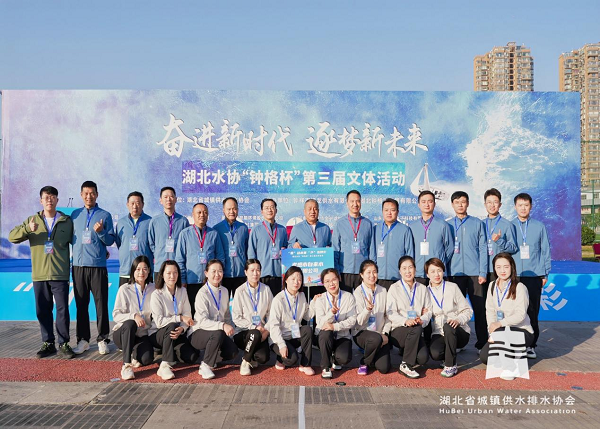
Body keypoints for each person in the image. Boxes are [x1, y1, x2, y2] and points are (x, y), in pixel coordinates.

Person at [9, 186, 75, 359]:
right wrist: (27, 229)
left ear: (57, 200)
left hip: (60, 274)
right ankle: (48, 343)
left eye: (52, 197)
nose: (49, 200)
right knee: (42, 310)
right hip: (39, 274)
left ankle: (64, 343)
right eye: (46, 197)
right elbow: (12, 237)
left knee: (62, 310)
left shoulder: (66, 221)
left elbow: (77, 242)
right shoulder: (32, 220)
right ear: (41, 201)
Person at [71, 181, 116, 355]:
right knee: (81, 305)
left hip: (97, 267)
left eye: (92, 193)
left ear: (97, 194)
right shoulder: (75, 215)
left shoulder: (105, 215)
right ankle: (83, 340)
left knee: (101, 304)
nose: (89, 196)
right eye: (85, 193)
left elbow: (110, 240)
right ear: (81, 195)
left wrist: (101, 232)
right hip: (79, 266)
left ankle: (103, 338)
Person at [480, 253, 534, 381]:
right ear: (494, 268)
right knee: (485, 357)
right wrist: (491, 331)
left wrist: (500, 324)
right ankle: (514, 354)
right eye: (498, 267)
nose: (502, 270)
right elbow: (490, 311)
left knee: (502, 334)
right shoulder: (492, 286)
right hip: (500, 331)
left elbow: (520, 315)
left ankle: (511, 368)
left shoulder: (520, 287)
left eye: (506, 266)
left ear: (512, 267)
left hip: (521, 331)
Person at [447, 191, 488, 352]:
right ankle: (457, 343)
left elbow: (483, 249)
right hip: (455, 274)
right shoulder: (448, 225)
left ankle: (482, 343)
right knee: (455, 310)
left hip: (474, 274)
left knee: (479, 309)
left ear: (468, 203)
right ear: (452, 204)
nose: (460, 205)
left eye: (463, 201)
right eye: (457, 202)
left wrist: (483, 272)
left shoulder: (477, 223)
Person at [512, 193, 551, 359]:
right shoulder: (510, 226)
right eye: (520, 205)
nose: (523, 208)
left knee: (532, 310)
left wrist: (545, 273)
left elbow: (545, 250)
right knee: (514, 310)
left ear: (531, 206)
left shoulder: (539, 226)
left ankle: (531, 345)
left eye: (526, 205)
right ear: (515, 207)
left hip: (534, 275)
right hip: (514, 276)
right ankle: (514, 343)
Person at [188, 259, 238, 380]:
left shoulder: (224, 291)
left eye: (220, 271)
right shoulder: (202, 293)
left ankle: (211, 357)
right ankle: (205, 365)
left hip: (217, 333)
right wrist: (222, 326)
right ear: (206, 273)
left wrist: (230, 332)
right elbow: (202, 321)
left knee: (232, 352)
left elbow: (226, 315)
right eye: (213, 271)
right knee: (218, 332)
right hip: (198, 333)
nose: (217, 274)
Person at [150, 260, 199, 380]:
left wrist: (182, 328)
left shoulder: (182, 291)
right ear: (162, 275)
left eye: (175, 272)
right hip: (158, 333)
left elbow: (187, 314)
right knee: (171, 325)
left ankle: (170, 352)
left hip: (177, 332)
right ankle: (164, 365)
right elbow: (159, 322)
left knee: (192, 356)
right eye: (168, 273)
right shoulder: (157, 294)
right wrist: (180, 318)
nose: (172, 276)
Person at [425, 258, 473, 378]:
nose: (436, 274)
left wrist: (458, 320)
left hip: (458, 330)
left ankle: (450, 365)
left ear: (443, 271)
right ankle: (448, 354)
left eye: (439, 270)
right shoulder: (425, 292)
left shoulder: (452, 287)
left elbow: (468, 310)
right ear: (427, 274)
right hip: (439, 332)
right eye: (432, 271)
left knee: (449, 326)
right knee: (435, 354)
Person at [175, 203, 225, 316]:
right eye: (199, 212)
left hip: (210, 282)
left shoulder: (214, 234)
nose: (202, 215)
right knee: (192, 312)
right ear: (193, 214)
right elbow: (180, 259)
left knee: (210, 312)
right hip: (191, 282)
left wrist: (218, 276)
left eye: (205, 212)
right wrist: (183, 280)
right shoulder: (185, 234)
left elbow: (220, 256)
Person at [112, 256, 156, 380]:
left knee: (147, 359)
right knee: (130, 323)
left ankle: (135, 355)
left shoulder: (154, 289)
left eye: (145, 269)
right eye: (138, 269)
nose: (141, 272)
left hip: (142, 334)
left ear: (149, 271)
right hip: (123, 333)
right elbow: (116, 314)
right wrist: (134, 316)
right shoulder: (125, 289)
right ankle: (126, 365)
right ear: (133, 271)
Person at [387, 256, 431, 378]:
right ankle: (405, 364)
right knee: (416, 329)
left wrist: (422, 320)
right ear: (400, 271)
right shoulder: (394, 288)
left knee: (422, 358)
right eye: (404, 268)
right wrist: (405, 321)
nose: (408, 271)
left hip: (417, 328)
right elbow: (390, 312)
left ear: (415, 270)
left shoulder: (422, 288)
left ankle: (406, 350)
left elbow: (429, 310)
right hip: (399, 329)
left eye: (410, 267)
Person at [267, 266, 314, 375]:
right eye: (293, 279)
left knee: (307, 329)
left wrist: (315, 303)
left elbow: (307, 316)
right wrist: (281, 345)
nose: (296, 282)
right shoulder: (278, 299)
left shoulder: (301, 296)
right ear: (286, 280)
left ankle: (305, 364)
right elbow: (273, 326)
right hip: (279, 338)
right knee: (292, 359)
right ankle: (280, 358)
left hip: (294, 335)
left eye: (299, 279)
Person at [231, 259, 273, 376]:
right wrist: (253, 326)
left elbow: (272, 314)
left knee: (263, 358)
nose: (255, 273)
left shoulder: (266, 289)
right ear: (246, 272)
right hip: (243, 332)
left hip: (262, 332)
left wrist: (267, 330)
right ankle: (245, 361)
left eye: (258, 270)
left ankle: (251, 355)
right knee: (254, 333)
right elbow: (236, 317)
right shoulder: (240, 291)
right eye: (252, 270)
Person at [313, 268, 357, 379]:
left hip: (342, 335)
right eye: (327, 281)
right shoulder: (321, 299)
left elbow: (352, 320)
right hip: (325, 337)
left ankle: (335, 358)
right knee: (325, 333)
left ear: (339, 279)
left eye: (334, 279)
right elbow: (320, 323)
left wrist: (334, 326)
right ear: (323, 283)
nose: (331, 284)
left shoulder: (348, 297)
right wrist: (331, 313)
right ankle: (326, 367)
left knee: (344, 358)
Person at [353, 260, 392, 375]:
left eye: (374, 272)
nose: (372, 275)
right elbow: (359, 322)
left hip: (380, 334)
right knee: (375, 339)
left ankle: (373, 355)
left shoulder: (383, 290)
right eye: (368, 272)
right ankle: (364, 362)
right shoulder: (357, 292)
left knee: (384, 368)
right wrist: (367, 310)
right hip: (362, 332)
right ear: (361, 275)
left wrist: (385, 333)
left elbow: (388, 315)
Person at [408, 191, 453, 284]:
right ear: (418, 205)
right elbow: (409, 250)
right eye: (423, 202)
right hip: (418, 273)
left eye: (430, 201)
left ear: (434, 204)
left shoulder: (443, 225)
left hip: (437, 273)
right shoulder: (412, 227)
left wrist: (440, 261)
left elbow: (450, 248)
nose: (427, 204)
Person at [332, 190, 373, 291]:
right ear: (347, 203)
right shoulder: (339, 223)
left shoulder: (367, 224)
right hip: (344, 272)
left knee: (363, 299)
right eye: (352, 201)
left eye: (358, 201)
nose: (355, 204)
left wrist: (370, 270)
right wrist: (336, 271)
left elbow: (371, 249)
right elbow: (335, 248)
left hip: (363, 272)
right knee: (345, 299)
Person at [370, 198, 414, 290]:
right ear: (382, 211)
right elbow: (372, 253)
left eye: (392, 210)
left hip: (398, 277)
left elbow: (409, 254)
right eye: (386, 210)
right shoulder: (375, 229)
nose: (389, 213)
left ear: (397, 212)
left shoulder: (405, 230)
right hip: (379, 277)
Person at [248, 198, 288, 297]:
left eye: (272, 207)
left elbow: (286, 250)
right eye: (266, 208)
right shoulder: (256, 230)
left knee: (278, 303)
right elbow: (251, 253)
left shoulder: (282, 230)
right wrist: (253, 273)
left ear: (276, 210)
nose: (269, 210)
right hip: (262, 275)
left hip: (278, 274)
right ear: (262, 211)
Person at [148, 186, 189, 281]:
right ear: (160, 200)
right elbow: (151, 243)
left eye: (171, 196)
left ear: (176, 199)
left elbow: (186, 244)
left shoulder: (183, 221)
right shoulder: (155, 221)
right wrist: (158, 253)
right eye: (165, 197)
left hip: (177, 267)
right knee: (159, 290)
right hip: (160, 266)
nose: (168, 199)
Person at [115, 191, 153, 286]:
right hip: (126, 272)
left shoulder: (150, 222)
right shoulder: (121, 223)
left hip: (143, 273)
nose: (135, 206)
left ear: (143, 204)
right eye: (132, 203)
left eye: (138, 203)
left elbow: (154, 245)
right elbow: (119, 243)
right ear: (127, 204)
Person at [214, 197, 249, 294]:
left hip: (241, 274)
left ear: (237, 210)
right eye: (229, 209)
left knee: (242, 302)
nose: (231, 212)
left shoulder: (243, 228)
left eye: (234, 209)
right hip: (223, 275)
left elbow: (247, 250)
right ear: (223, 210)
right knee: (222, 302)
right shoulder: (217, 229)